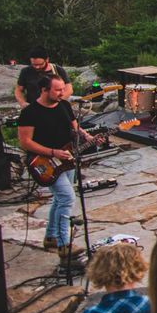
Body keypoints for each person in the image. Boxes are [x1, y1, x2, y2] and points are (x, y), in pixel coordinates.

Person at [18, 74, 96, 259]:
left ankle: (51, 236)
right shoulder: (30, 112)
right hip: (45, 162)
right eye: (58, 90)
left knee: (59, 199)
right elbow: (25, 142)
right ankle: (64, 244)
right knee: (67, 198)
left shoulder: (64, 105)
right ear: (44, 89)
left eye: (63, 89)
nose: (63, 93)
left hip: (67, 159)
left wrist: (87, 136)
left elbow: (75, 128)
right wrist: (52, 152)